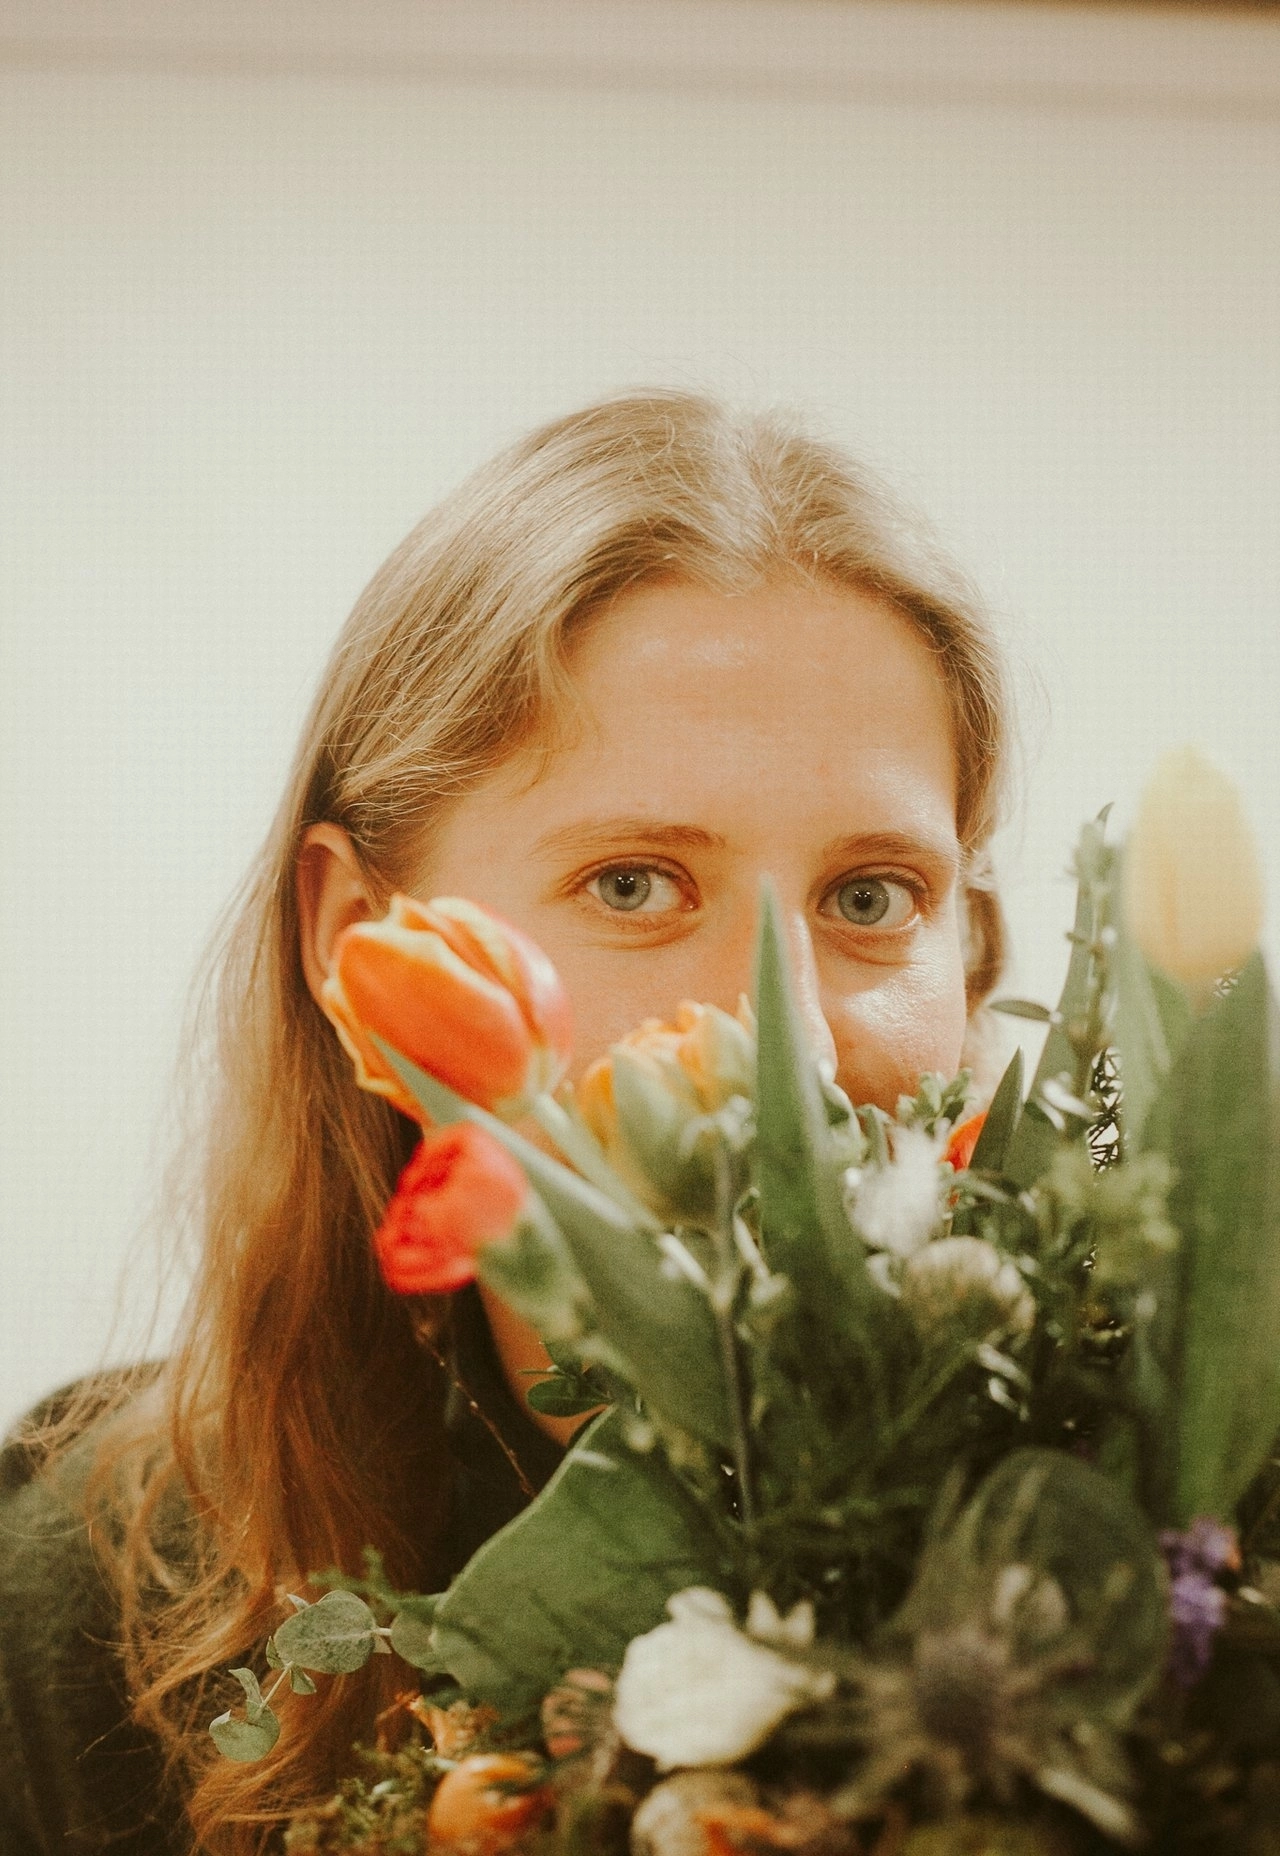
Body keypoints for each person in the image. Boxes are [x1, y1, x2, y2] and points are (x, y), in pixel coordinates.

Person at [0, 389, 1011, 1854]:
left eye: (872, 896)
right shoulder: (86, 1607)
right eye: (633, 885)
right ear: (357, 938)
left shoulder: (1179, 1519)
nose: (785, 1042)